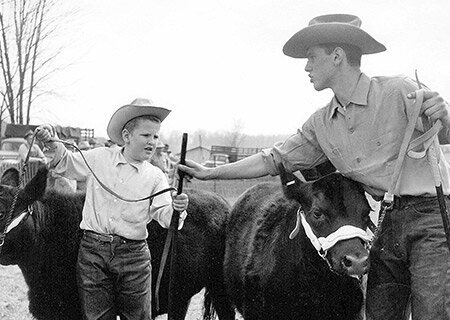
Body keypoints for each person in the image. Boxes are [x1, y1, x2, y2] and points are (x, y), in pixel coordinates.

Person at [179, 14, 450, 320]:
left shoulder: (401, 91)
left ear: (337, 57)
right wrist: (209, 173)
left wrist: (446, 115)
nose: (306, 67)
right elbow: (273, 159)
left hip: (432, 218)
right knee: (380, 314)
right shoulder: (321, 124)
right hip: (381, 221)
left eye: (311, 57)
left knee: (434, 313)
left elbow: (445, 133)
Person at [35, 97, 189, 320]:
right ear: (126, 136)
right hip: (93, 253)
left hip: (134, 257)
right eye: (146, 135)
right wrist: (52, 141)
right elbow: (65, 163)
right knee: (96, 316)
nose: (152, 141)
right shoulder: (99, 158)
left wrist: (177, 209)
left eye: (156, 136)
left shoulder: (155, 176)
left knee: (136, 317)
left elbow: (165, 216)